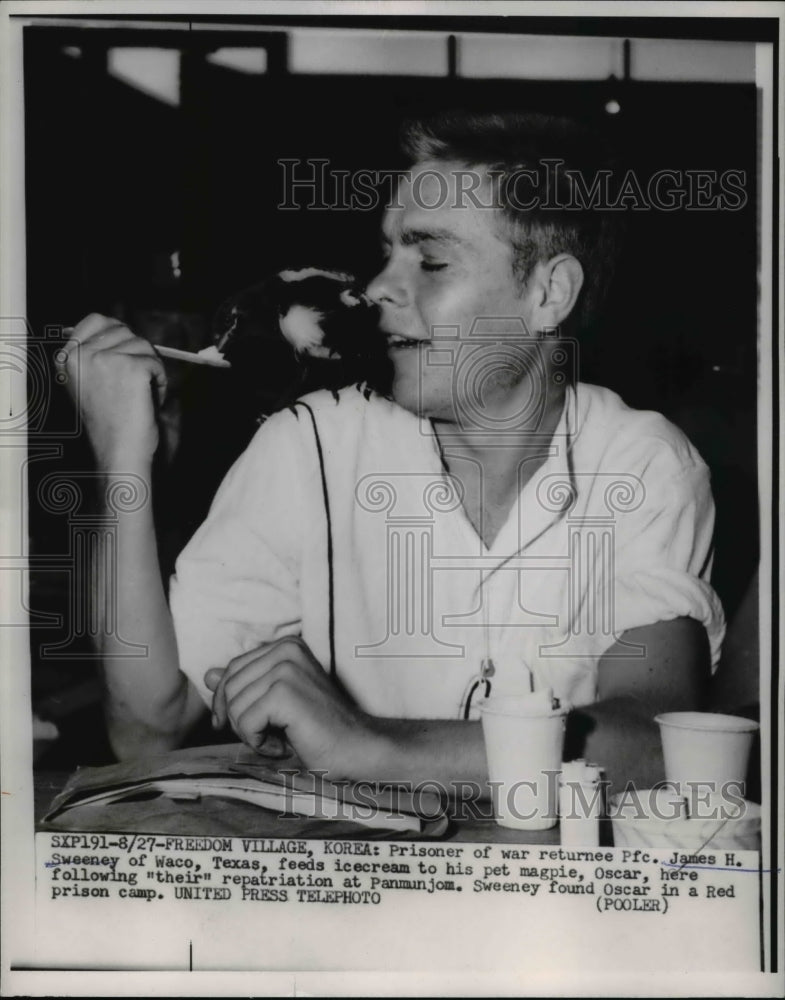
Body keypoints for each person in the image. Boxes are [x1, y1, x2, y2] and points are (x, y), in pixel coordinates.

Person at [58, 111, 724, 795]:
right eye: (387, 254)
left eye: (430, 261)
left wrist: (367, 744)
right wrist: (121, 457)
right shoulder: (310, 443)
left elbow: (656, 743)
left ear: (547, 294)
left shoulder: (642, 464)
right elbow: (147, 731)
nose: (377, 287)